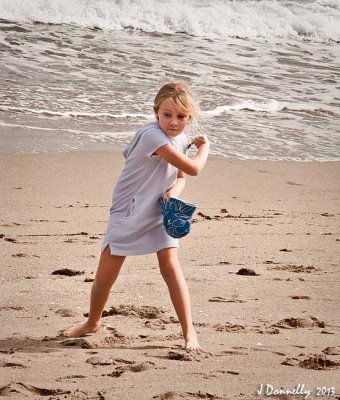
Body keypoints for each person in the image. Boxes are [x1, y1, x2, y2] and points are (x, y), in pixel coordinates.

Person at [63, 81, 210, 351]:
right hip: (128, 210)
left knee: (171, 268)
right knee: (106, 273)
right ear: (156, 112)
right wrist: (205, 148)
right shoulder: (152, 136)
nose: (173, 122)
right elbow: (194, 168)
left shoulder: (179, 139)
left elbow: (181, 176)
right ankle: (92, 322)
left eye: (180, 117)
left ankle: (190, 333)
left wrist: (172, 193)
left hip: (158, 210)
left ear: (189, 118)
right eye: (167, 115)